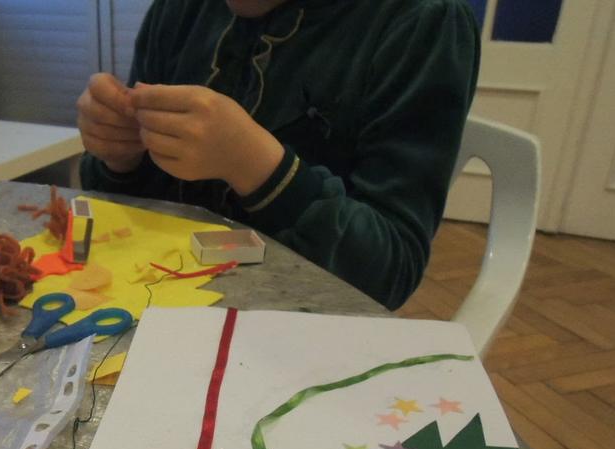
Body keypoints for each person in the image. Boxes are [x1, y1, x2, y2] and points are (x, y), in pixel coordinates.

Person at [77, 0, 480, 310]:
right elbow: (135, 202)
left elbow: (390, 273)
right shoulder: (181, 10)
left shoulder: (421, 20)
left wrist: (255, 164)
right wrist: (120, 156)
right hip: (159, 302)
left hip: (307, 338)